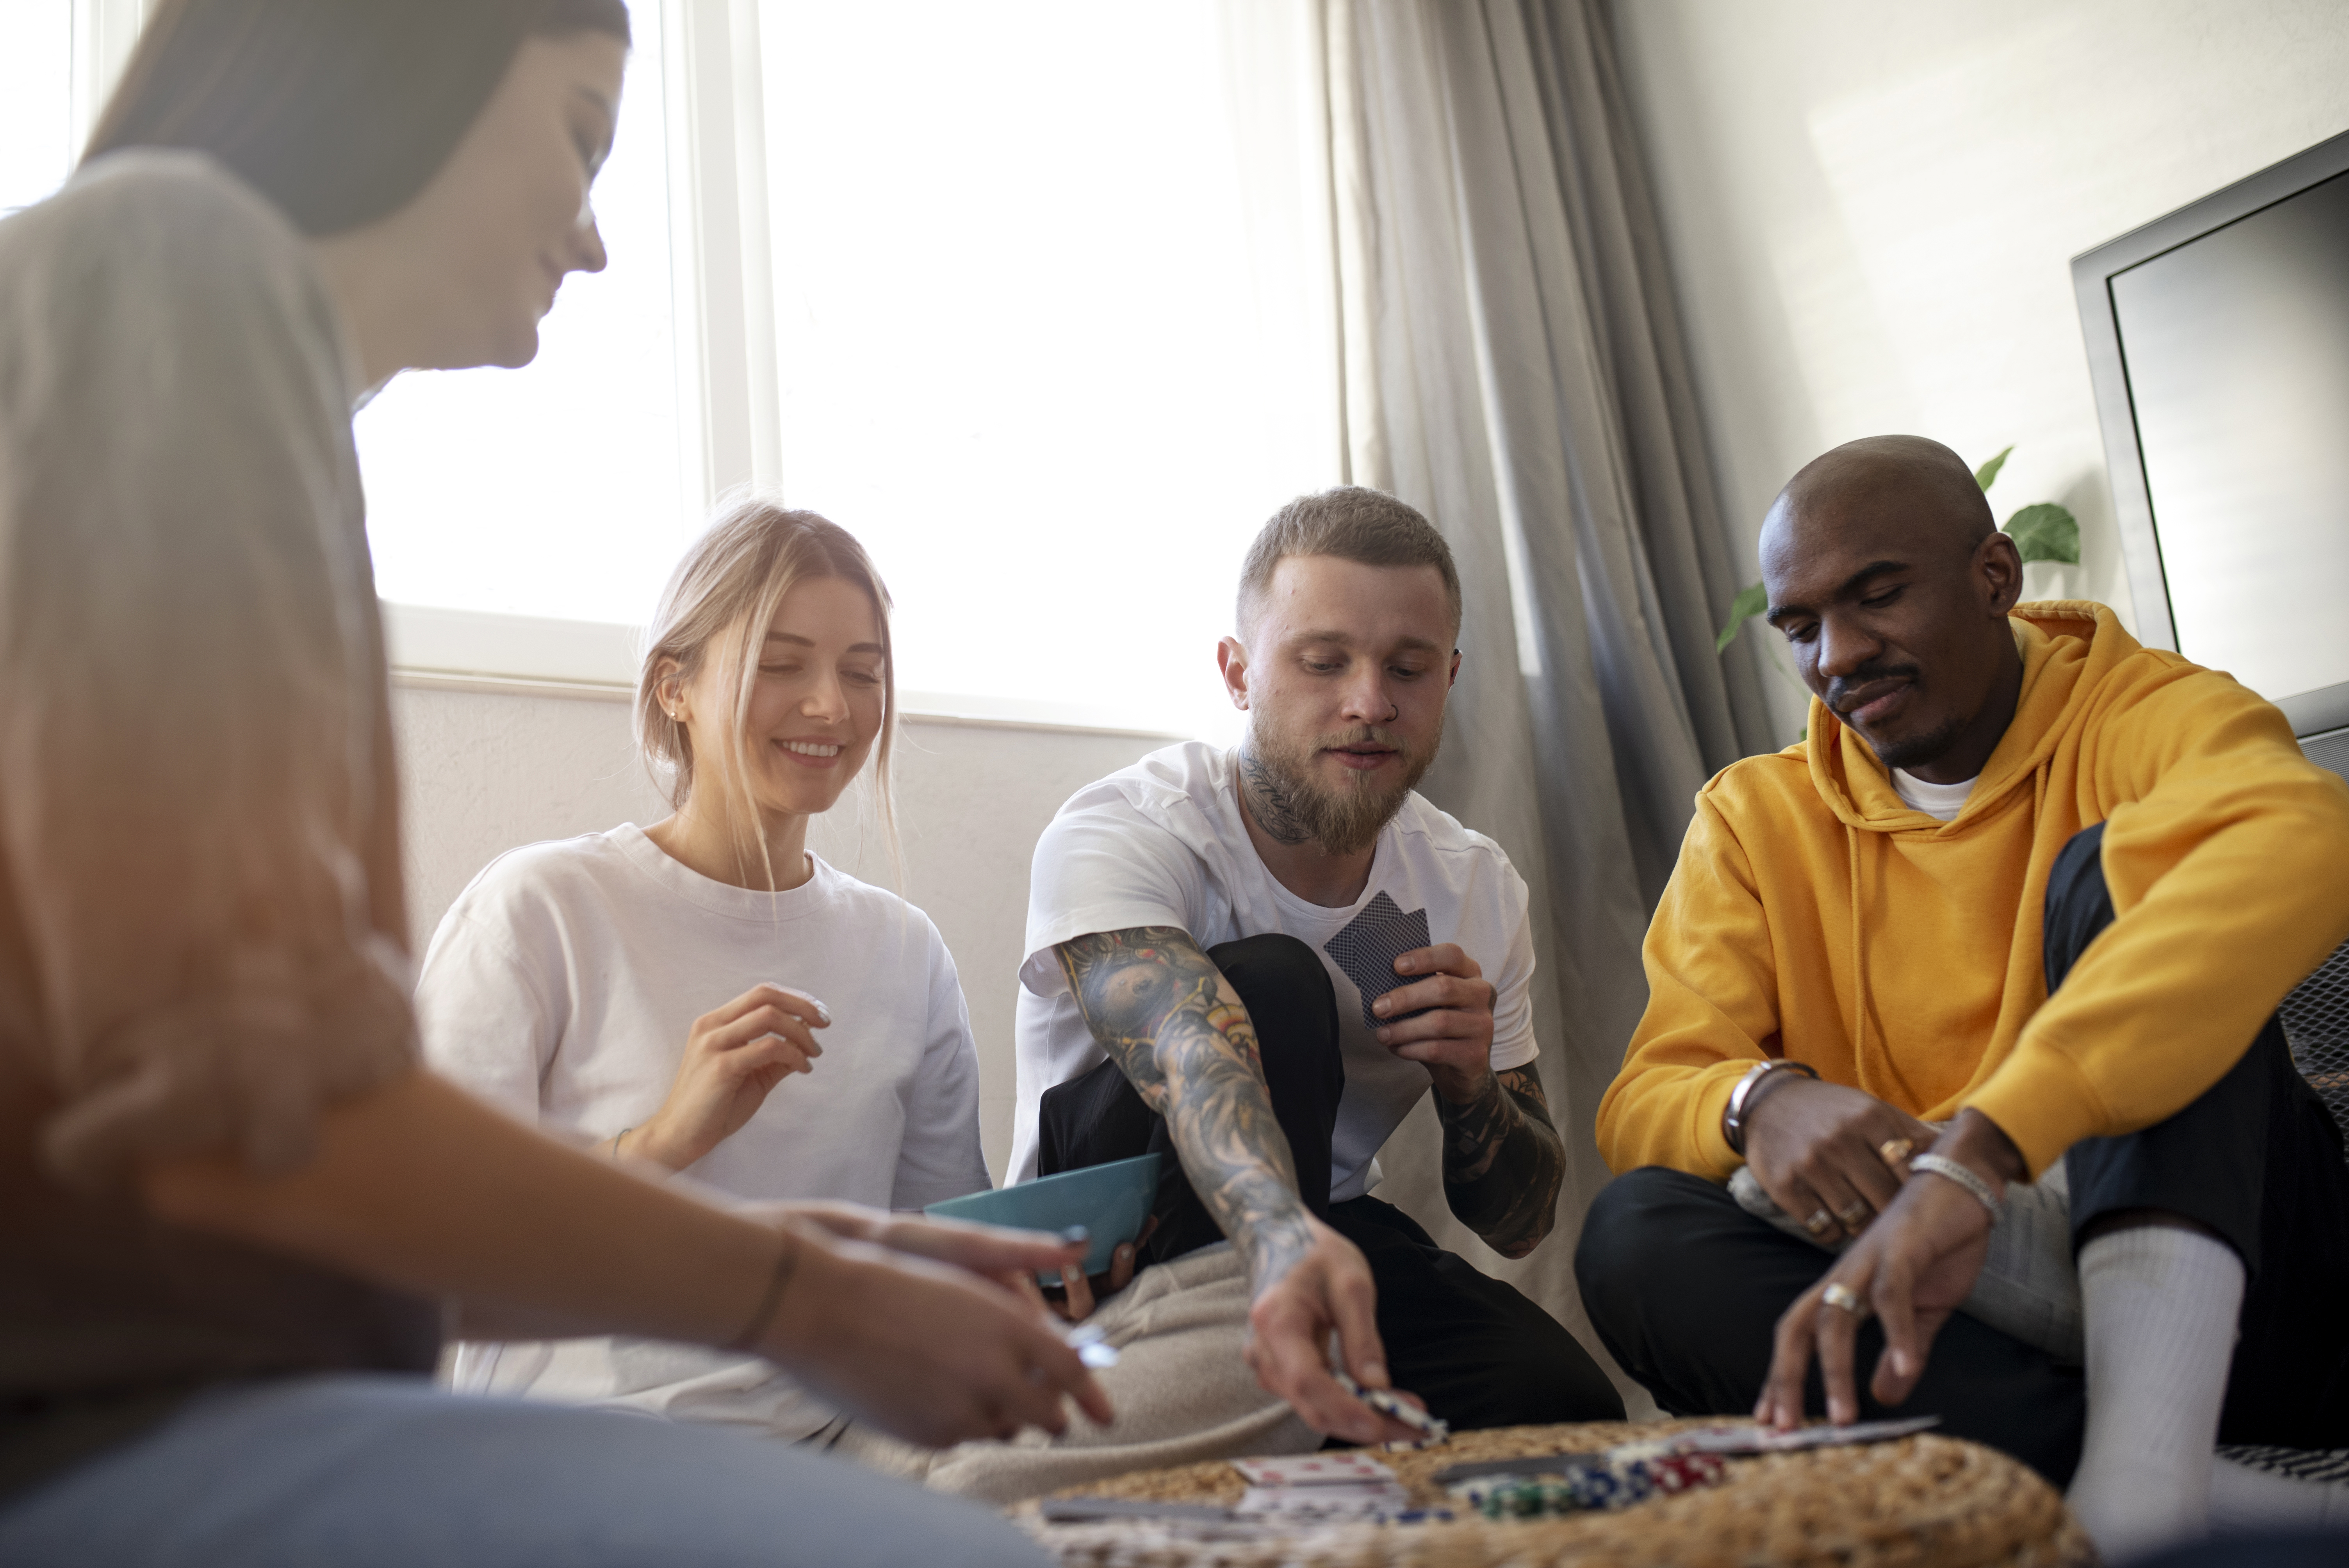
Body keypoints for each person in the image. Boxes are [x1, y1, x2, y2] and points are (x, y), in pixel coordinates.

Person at [0, 5, 1104, 1564]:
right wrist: (795, 1290)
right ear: (399, 54)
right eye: (583, 133)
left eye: (861, 667)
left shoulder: (239, 391)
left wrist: (805, 1247)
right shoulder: (178, 266)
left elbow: (296, 1222)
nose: (591, 238)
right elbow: (253, 1142)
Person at [1574, 435, 2349, 1561]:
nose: (1837, 654)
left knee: (2119, 867)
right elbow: (1647, 1096)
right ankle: (2160, 1481)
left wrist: (1982, 1148)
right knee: (1632, 1236)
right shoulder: (1752, 818)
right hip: (1974, 1297)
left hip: (2240, 1273)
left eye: (1878, 594)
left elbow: (2310, 835)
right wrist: (1762, 1100)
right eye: (1800, 626)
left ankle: (2142, 1458)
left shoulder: (2143, 712)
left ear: (1996, 577)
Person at [421, 501, 1075, 1449]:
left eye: (863, 673)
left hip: (848, 1442)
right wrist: (662, 1139)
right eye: (780, 664)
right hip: (594, 1438)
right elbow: (433, 1251)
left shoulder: (902, 947)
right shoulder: (541, 907)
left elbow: (931, 1255)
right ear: (672, 687)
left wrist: (1044, 1277)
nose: (831, 706)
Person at [1009, 486, 1625, 1451]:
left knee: (1559, 1404)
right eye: (1322, 661)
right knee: (1274, 984)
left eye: (1407, 668)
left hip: (1327, 1218)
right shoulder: (1126, 826)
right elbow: (1186, 1048)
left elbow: (1519, 1222)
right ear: (1238, 671)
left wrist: (1469, 1087)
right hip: (1115, 1240)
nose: (1369, 702)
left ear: (1449, 678)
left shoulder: (1473, 885)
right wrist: (1278, 1238)